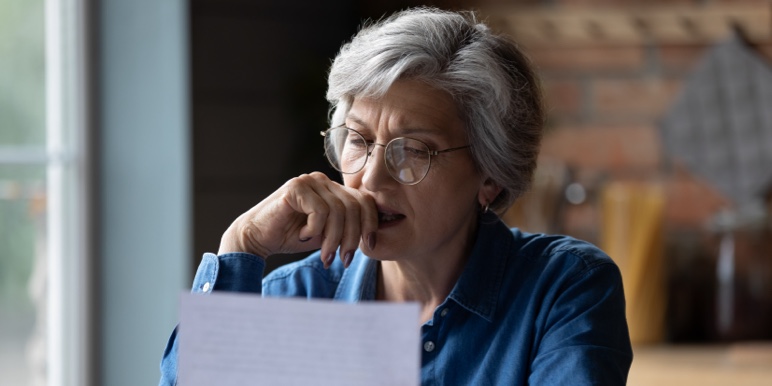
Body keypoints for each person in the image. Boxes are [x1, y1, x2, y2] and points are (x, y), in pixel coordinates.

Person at [159, 7, 632, 385]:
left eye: (414, 151)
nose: (370, 179)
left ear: (490, 174)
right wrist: (241, 244)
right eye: (359, 141)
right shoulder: (297, 297)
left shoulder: (564, 289)